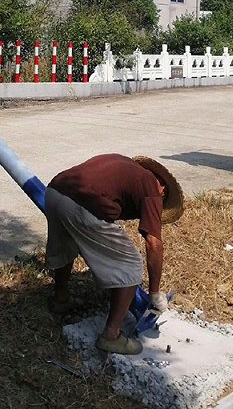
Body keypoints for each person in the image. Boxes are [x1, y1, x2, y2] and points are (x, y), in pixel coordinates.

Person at [44, 153, 184, 356]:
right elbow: (153, 243)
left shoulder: (124, 165)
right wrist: (154, 292)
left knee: (68, 244)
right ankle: (111, 336)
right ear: (162, 188)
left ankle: (61, 299)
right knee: (130, 263)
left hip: (54, 192)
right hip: (81, 204)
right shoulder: (152, 188)